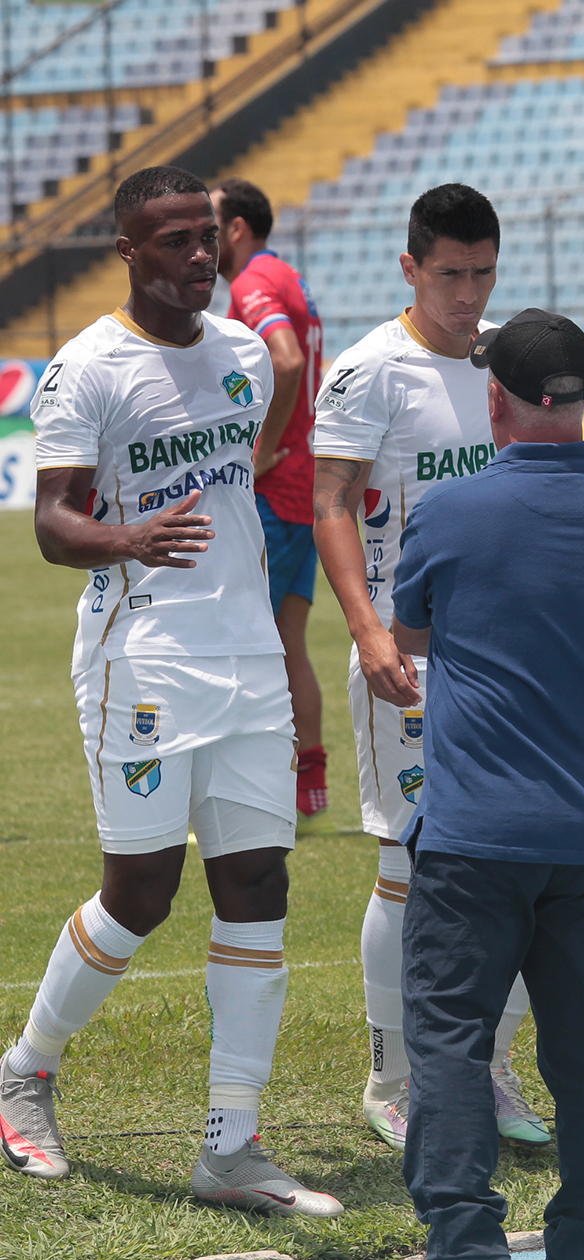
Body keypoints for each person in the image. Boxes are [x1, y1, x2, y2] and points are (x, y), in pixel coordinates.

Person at [0, 165, 342, 1219]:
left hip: (249, 660)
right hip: (142, 659)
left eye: (208, 236)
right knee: (142, 893)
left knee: (258, 885)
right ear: (129, 251)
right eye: (175, 240)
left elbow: (250, 475)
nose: (201, 255)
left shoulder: (244, 355)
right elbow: (53, 522)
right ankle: (24, 1070)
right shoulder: (87, 368)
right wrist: (130, 537)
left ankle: (231, 1146)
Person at [367, 309, 584, 1260]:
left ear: (494, 398)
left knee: (448, 1036)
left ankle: (462, 1244)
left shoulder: (454, 510)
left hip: (479, 829)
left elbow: (411, 629)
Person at [312, 183, 547, 1151]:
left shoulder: (511, 359)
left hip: (514, 655)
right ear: (410, 268)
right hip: (410, 655)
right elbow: (330, 503)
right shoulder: (369, 371)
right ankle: (392, 1078)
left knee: (527, 864)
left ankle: (487, 1062)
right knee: (411, 864)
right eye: (450, 273)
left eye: (483, 272)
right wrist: (369, 630)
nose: (468, 293)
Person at [210, 177, 333, 837]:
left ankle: (248, 793)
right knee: (288, 642)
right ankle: (308, 788)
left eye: (210, 224)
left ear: (237, 228)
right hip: (305, 484)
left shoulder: (253, 280)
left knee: (241, 640)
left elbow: (284, 362)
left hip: (275, 489)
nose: (202, 240)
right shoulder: (290, 277)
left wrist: (260, 449)